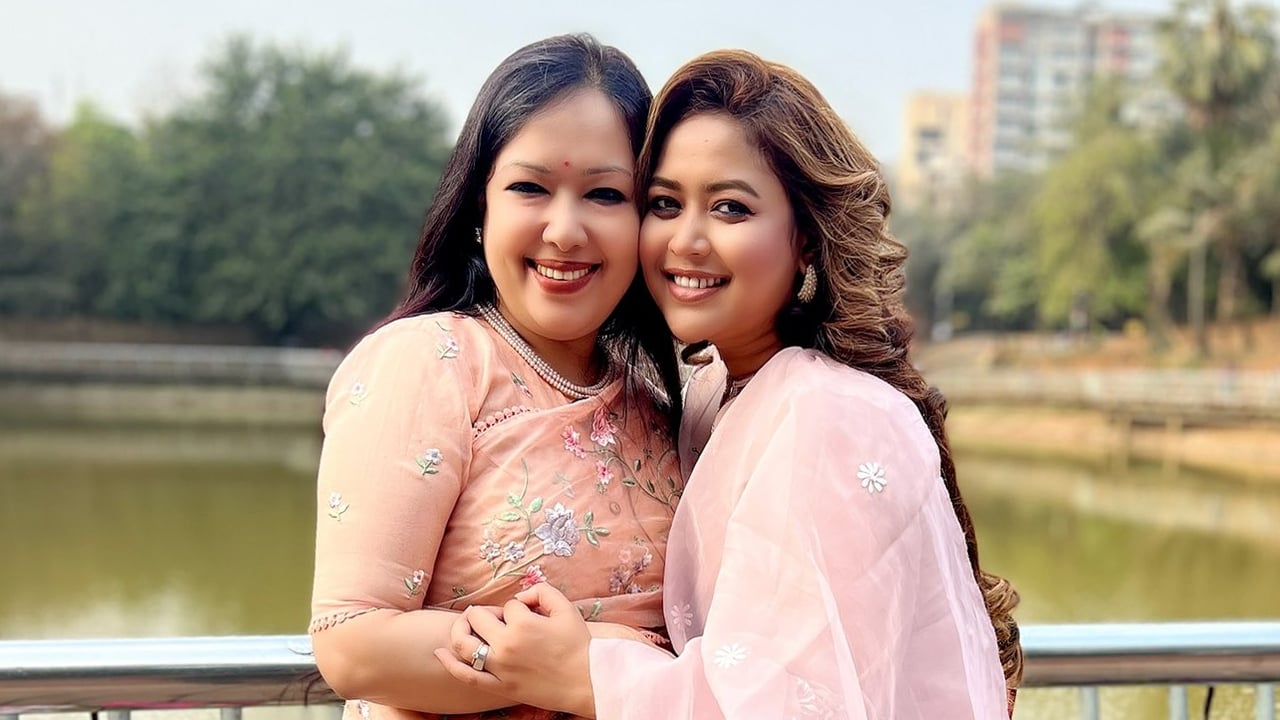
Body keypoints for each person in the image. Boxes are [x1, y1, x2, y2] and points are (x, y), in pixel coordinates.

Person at [434, 49, 1024, 719]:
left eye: (730, 208)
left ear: (806, 238)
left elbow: (800, 702)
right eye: (664, 204)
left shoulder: (829, 412)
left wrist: (584, 674)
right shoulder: (710, 391)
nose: (686, 240)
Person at [308, 34, 685, 720]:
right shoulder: (429, 362)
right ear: (479, 210)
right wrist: (595, 661)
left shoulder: (664, 394)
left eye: (605, 193)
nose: (564, 231)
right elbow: (353, 645)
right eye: (529, 188)